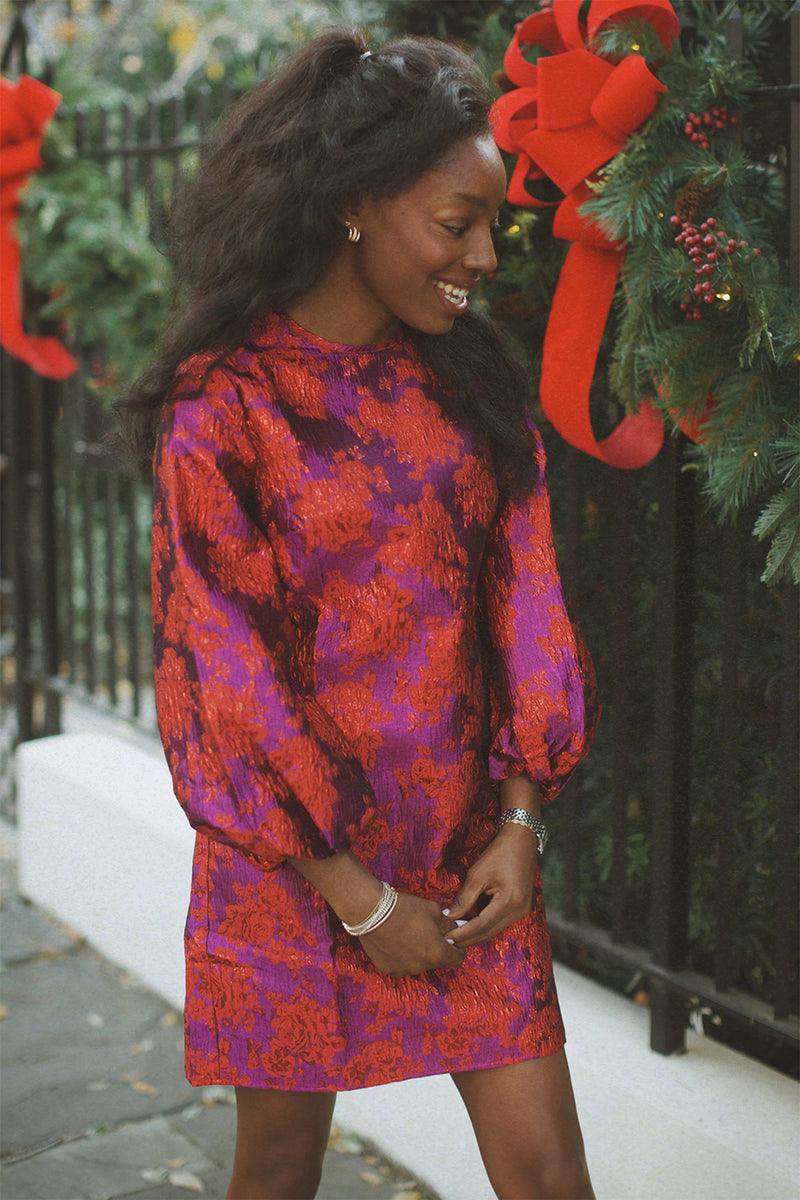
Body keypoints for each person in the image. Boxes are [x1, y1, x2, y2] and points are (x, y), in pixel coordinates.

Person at [123, 27, 599, 1200]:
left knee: (546, 1173)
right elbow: (219, 672)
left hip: (463, 862)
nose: (485, 255)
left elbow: (524, 604)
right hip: (291, 872)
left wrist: (519, 824)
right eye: (456, 222)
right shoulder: (222, 407)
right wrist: (354, 896)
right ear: (351, 205)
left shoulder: (466, 380)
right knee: (278, 1170)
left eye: (493, 225)